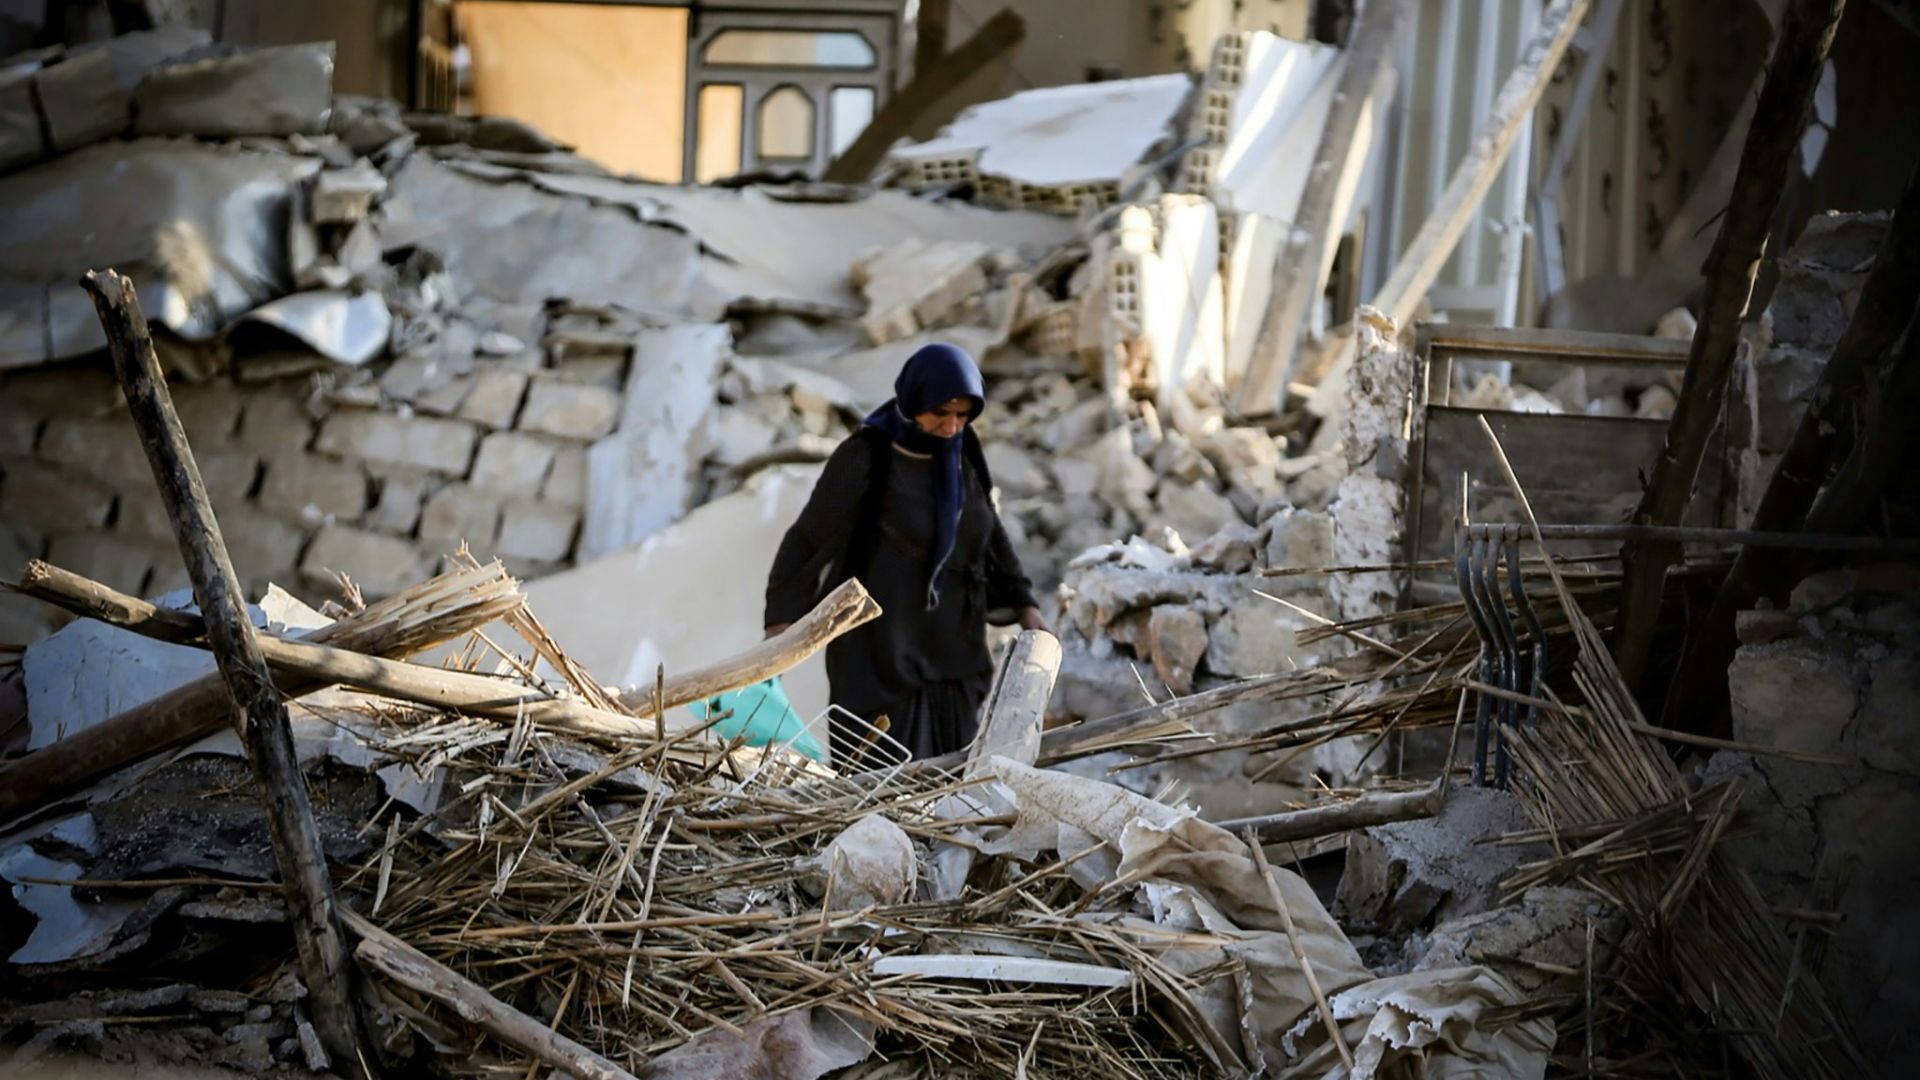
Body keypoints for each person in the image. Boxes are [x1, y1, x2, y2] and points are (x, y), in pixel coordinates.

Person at [763, 342, 1047, 768]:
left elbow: (987, 528)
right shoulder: (867, 456)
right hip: (879, 654)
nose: (952, 426)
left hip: (952, 650)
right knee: (878, 780)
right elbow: (810, 537)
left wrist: (1024, 603)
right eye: (941, 413)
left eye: (963, 415)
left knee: (953, 781)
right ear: (915, 400)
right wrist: (781, 626)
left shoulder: (962, 455)